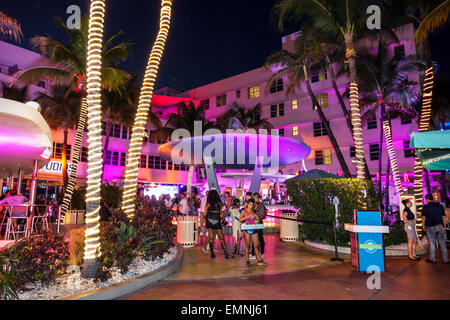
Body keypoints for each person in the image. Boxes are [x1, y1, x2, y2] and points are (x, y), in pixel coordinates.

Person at [203, 190, 233, 259]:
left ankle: (212, 254)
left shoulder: (208, 204)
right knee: (221, 238)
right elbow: (221, 213)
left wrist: (207, 219)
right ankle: (226, 254)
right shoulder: (219, 203)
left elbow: (204, 214)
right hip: (217, 221)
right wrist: (222, 218)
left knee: (211, 236)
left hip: (209, 221)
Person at [422, 194, 449, 264]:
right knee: (442, 243)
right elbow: (443, 216)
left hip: (430, 227)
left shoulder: (425, 207)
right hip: (439, 226)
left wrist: (423, 225)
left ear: (427, 199)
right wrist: (444, 225)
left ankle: (433, 259)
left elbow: (423, 217)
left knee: (432, 243)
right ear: (433, 198)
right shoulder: (440, 206)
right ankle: (446, 259)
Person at [239, 199, 266, 267]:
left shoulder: (254, 212)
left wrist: (257, 219)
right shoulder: (244, 211)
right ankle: (247, 260)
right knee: (247, 245)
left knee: (256, 245)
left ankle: (258, 259)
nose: (251, 206)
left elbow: (258, 220)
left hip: (254, 228)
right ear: (247, 204)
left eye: (252, 205)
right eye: (250, 204)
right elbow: (240, 219)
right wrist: (247, 216)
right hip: (247, 229)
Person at [250, 193, 266, 259]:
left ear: (256, 197)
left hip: (258, 224)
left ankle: (260, 253)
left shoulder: (260, 205)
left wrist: (256, 214)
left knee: (259, 238)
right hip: (256, 224)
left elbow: (261, 215)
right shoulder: (258, 204)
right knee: (256, 238)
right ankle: (256, 253)